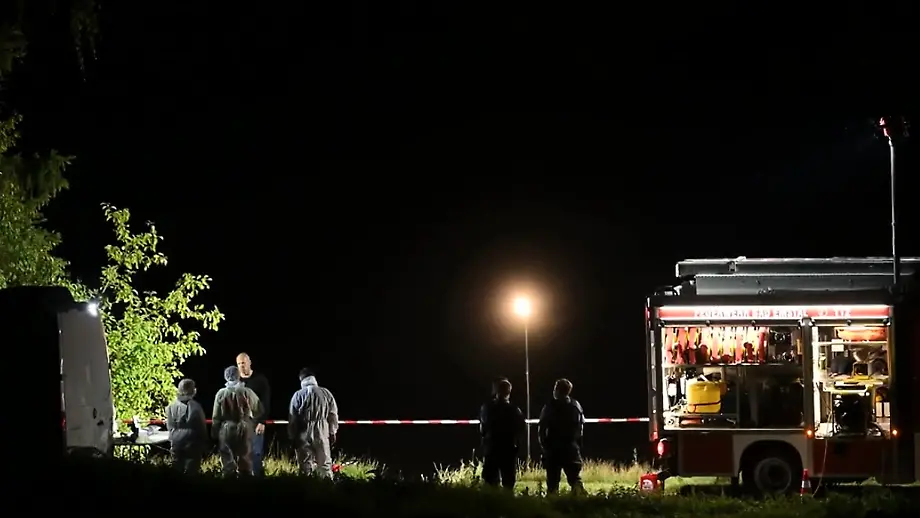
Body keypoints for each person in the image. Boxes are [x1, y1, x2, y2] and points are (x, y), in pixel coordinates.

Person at [287, 368, 339, 478]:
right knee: (324, 464)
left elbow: (293, 418)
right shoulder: (326, 393)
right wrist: (332, 431)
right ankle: (326, 486)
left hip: (303, 431)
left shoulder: (298, 395)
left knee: (305, 464)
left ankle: (307, 486)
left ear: (301, 379)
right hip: (322, 430)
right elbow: (332, 414)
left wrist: (292, 436)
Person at [538, 378, 586, 494]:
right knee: (575, 479)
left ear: (557, 390)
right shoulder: (576, 406)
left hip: (554, 448)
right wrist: (577, 444)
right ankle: (582, 501)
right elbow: (580, 428)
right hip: (570, 448)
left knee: (552, 482)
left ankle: (553, 502)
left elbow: (542, 427)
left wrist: (544, 445)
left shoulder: (550, 407)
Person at [212, 365, 262, 477]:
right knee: (245, 458)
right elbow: (259, 410)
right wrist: (252, 421)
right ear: (238, 375)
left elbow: (216, 416)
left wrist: (214, 431)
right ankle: (245, 481)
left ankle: (229, 481)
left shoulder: (221, 393)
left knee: (227, 458)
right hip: (244, 427)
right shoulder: (247, 392)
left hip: (226, 428)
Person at [479, 378, 526, 490]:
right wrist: (517, 444)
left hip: (492, 447)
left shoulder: (487, 408)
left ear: (496, 391)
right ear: (509, 392)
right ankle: (507, 499)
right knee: (508, 481)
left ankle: (491, 499)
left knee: (490, 481)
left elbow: (483, 428)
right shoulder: (514, 410)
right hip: (508, 448)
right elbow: (521, 428)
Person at [236, 352, 271, 477]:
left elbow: (266, 401)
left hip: (255, 422)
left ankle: (256, 479)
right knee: (239, 453)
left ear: (249, 363)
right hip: (239, 423)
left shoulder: (260, 380)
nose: (241, 366)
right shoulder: (235, 381)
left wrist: (262, 421)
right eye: (239, 364)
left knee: (256, 453)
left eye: (243, 363)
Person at [165, 378, 208, 474]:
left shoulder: (171, 406)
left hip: (176, 441)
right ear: (193, 390)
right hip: (192, 442)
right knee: (191, 470)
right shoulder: (196, 407)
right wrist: (204, 442)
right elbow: (201, 427)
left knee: (176, 469)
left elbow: (169, 425)